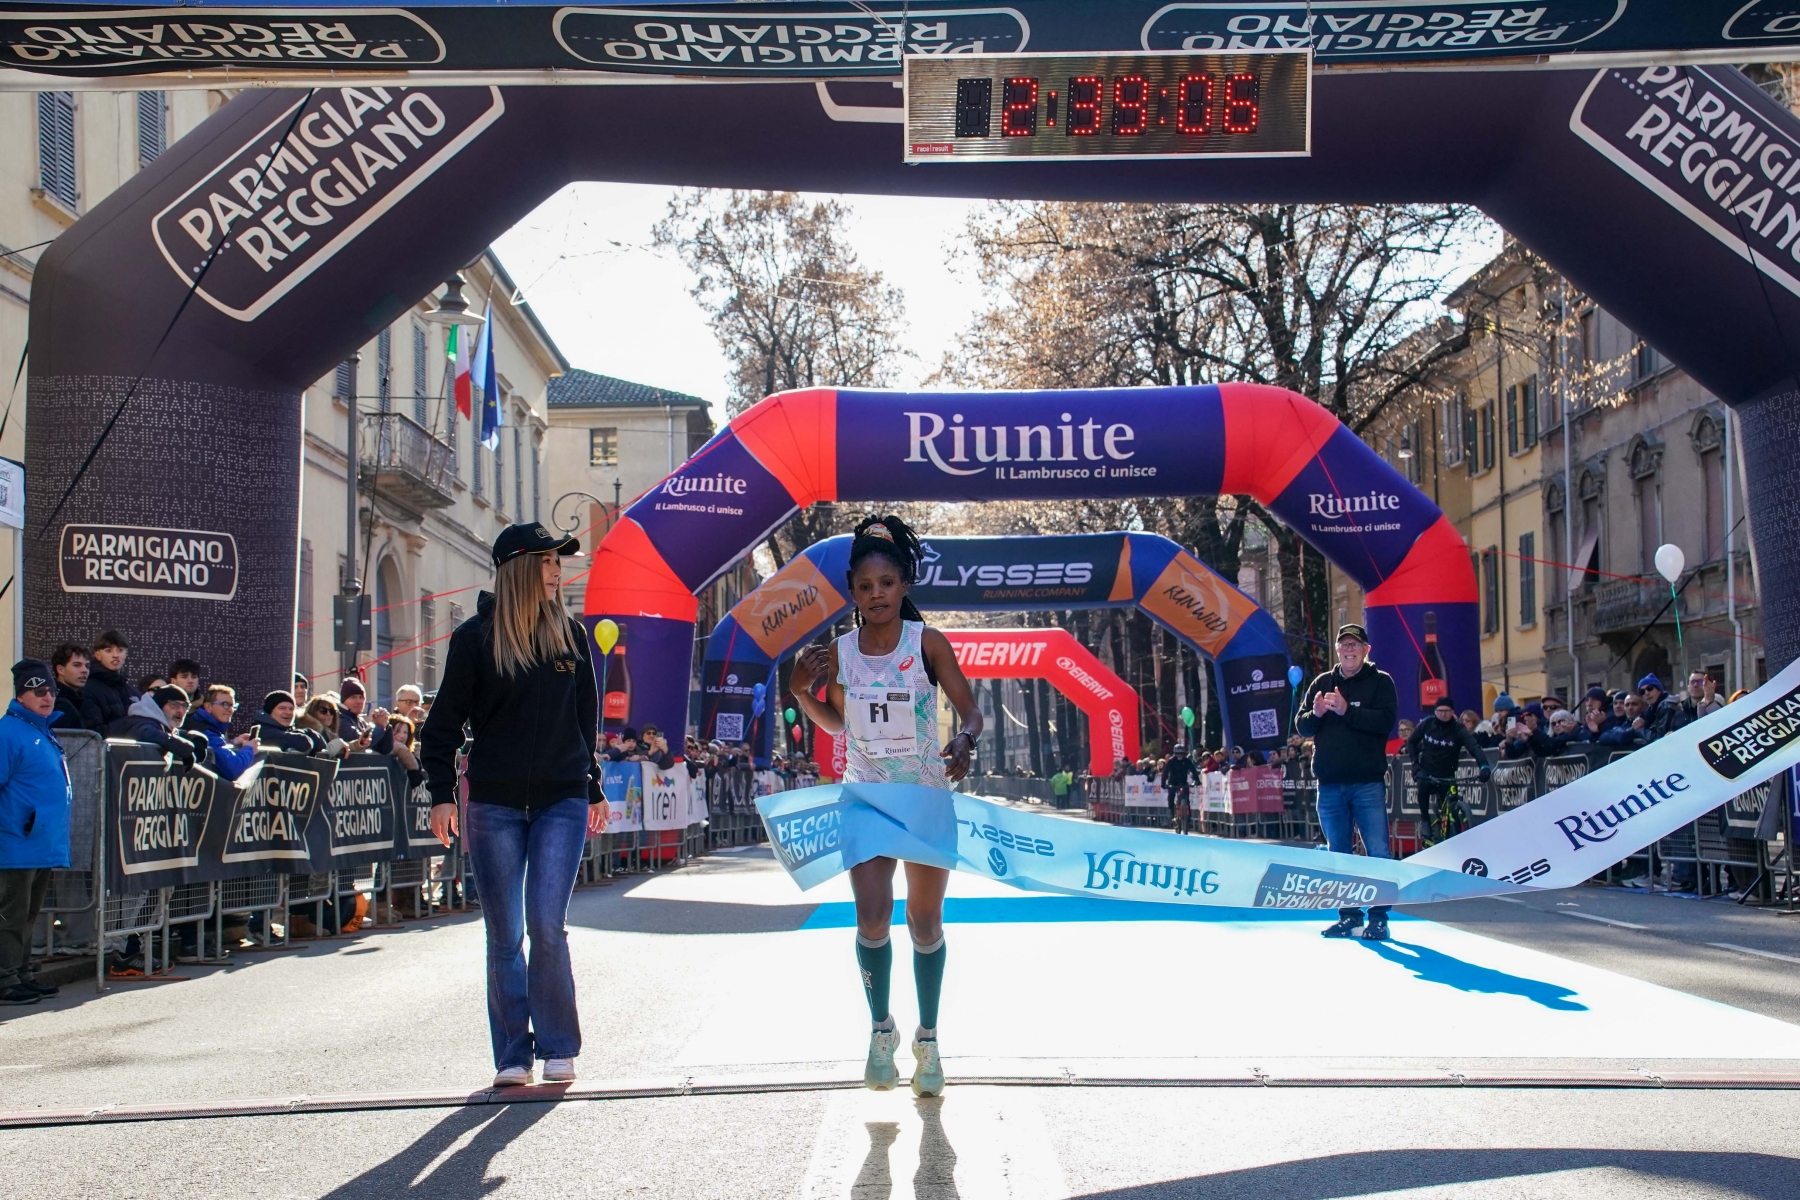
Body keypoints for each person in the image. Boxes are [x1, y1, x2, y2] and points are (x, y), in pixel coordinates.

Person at [789, 515, 983, 1099]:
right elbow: (838, 724)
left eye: (888, 583)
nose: (877, 594)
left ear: (903, 587)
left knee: (924, 921)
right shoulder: (838, 654)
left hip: (924, 796)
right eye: (866, 585)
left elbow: (970, 711)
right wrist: (801, 692)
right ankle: (881, 1031)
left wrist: (965, 742)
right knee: (872, 916)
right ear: (853, 591)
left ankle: (927, 1038)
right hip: (867, 797)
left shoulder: (927, 643)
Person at [421, 522, 607, 1090]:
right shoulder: (475, 639)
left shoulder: (571, 635)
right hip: (494, 804)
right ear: (522, 567)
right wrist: (441, 796)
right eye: (550, 561)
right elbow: (442, 727)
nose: (558, 571)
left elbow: (584, 724)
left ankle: (557, 1045)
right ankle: (512, 1054)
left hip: (562, 800)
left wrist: (593, 785)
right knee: (503, 935)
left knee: (546, 923)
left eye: (560, 562)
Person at [1296, 623, 1398, 941]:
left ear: (1366, 650)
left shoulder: (1381, 682)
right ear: (1337, 651)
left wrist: (1346, 711)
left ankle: (1378, 917)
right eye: (1344, 645)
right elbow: (1302, 727)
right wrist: (1314, 714)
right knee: (1338, 853)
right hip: (1329, 785)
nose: (1349, 650)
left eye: (1355, 645)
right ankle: (1349, 916)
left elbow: (1385, 722)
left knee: (1378, 851)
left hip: (1366, 782)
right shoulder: (1322, 682)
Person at [0, 661, 72, 1005]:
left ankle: (20, 973)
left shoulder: (39, 730)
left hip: (38, 842)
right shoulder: (9, 732)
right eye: (38, 691)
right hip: (14, 844)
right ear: (21, 695)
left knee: (27, 915)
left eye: (51, 691)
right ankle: (4, 979)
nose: (48, 697)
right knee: (10, 915)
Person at [1405, 696, 1490, 838]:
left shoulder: (1458, 729)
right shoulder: (1427, 724)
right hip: (1427, 770)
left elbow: (1474, 747)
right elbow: (1411, 742)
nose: (1443, 714)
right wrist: (1415, 764)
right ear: (1435, 711)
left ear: (1452, 712)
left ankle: (1455, 834)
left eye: (1447, 711)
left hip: (1447, 773)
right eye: (1440, 711)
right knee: (1423, 787)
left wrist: (1484, 766)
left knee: (1452, 805)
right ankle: (1425, 819)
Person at [117, 685, 199, 766]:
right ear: (159, 706)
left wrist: (193, 738)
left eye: (185, 706)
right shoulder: (143, 721)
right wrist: (183, 746)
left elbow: (164, 734)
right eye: (174, 704)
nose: (181, 711)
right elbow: (146, 732)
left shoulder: (161, 725)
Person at [49, 643, 105, 734]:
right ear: (60, 669)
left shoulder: (79, 699)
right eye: (77, 665)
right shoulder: (59, 704)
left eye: (87, 666)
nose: (84, 670)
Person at [85, 630, 136, 730]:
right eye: (108, 650)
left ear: (126, 653)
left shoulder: (133, 692)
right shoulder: (88, 689)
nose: (115, 655)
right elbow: (92, 731)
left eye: (120, 650)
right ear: (97, 655)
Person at [1160, 744, 1196, 833]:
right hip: (1173, 783)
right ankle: (1172, 814)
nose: (1179, 755)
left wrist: (1197, 780)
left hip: (1183, 783)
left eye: (1181, 753)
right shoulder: (1171, 761)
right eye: (1177, 753)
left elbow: (1193, 770)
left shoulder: (1187, 761)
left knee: (1187, 800)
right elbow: (1165, 772)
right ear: (1175, 753)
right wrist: (1163, 783)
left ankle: (1188, 819)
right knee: (1171, 796)